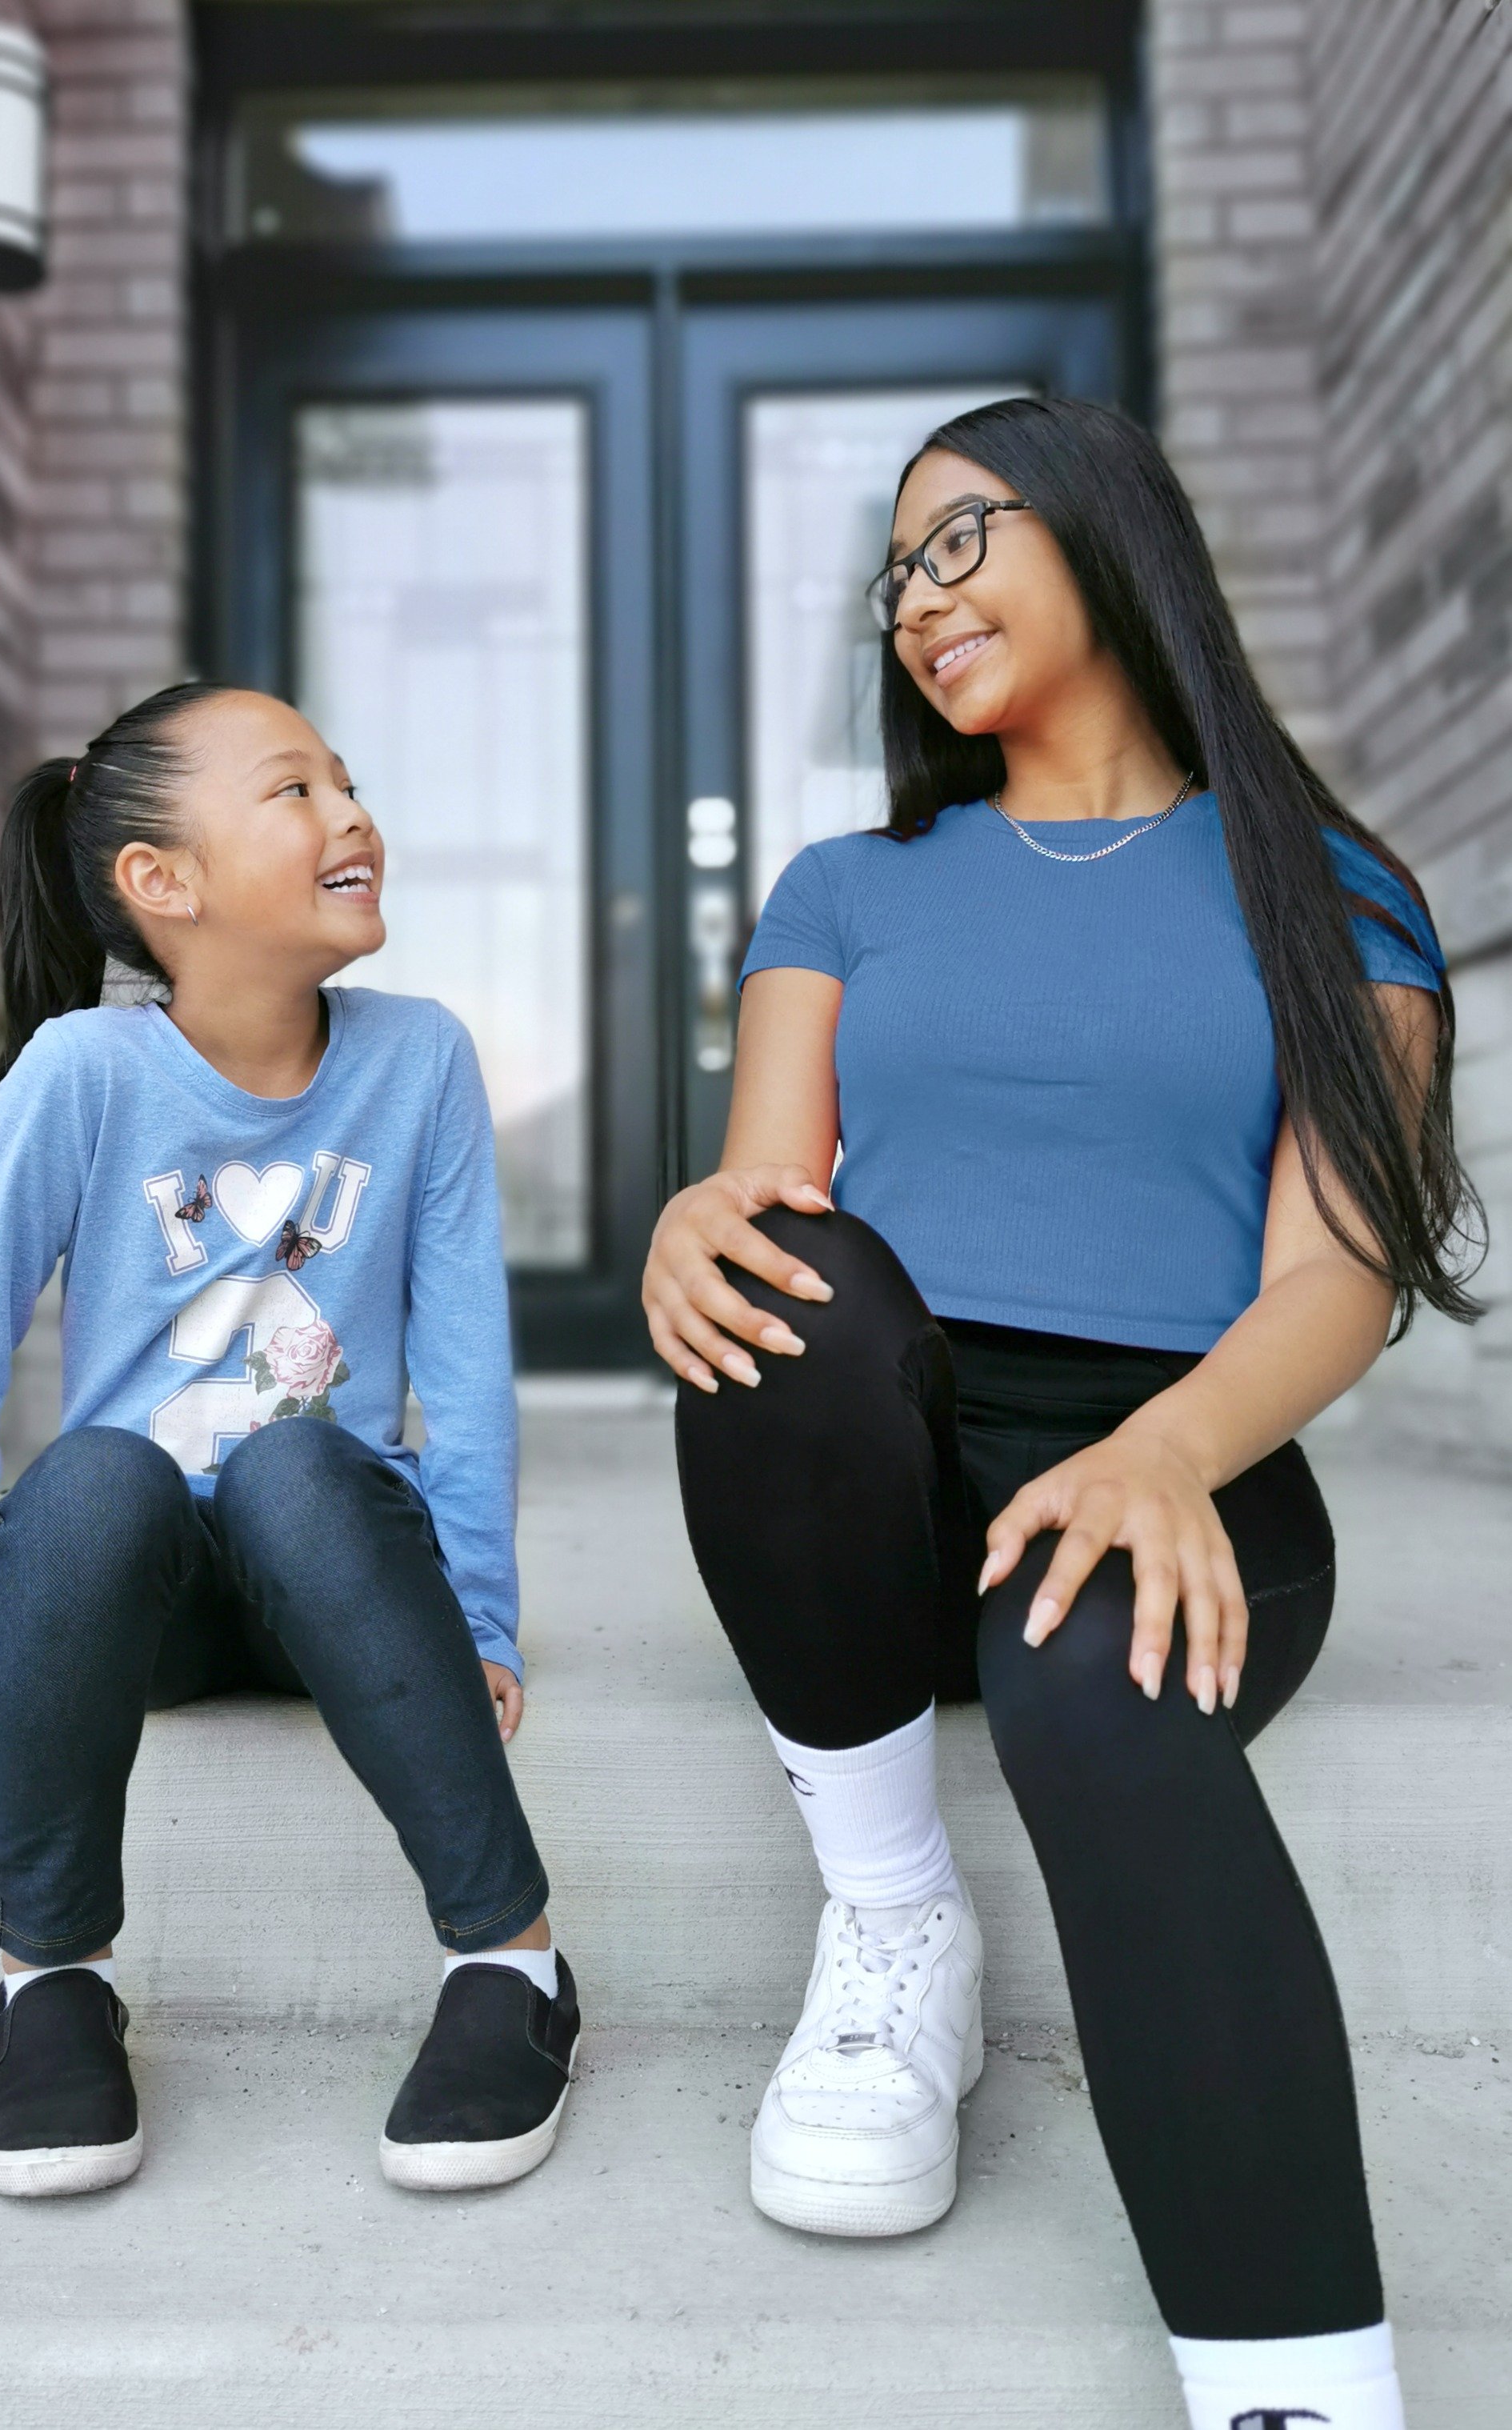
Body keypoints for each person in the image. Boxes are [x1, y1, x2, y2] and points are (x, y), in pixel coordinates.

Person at [642, 398, 1476, 2430]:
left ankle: (1296, 2392)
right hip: (887, 1487)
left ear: (1110, 536)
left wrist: (1171, 1449)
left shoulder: (1333, 894)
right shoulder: (848, 888)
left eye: (956, 544)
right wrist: (689, 1221)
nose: (916, 607)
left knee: (1097, 1680)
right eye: (892, 581)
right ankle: (892, 1913)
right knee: (791, 1277)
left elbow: (1335, 1276)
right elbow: (779, 1202)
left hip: (1188, 1464)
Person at [0, 683, 578, 2201]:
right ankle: (47, 1983)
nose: (350, 813)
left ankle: (511, 1965)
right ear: (162, 882)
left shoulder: (420, 1061)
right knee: (89, 1476)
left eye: (349, 780)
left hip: (335, 1573)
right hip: (143, 1595)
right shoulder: (79, 1075)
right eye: (294, 790)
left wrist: (475, 1616)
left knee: (293, 1460)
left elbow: (465, 1373)